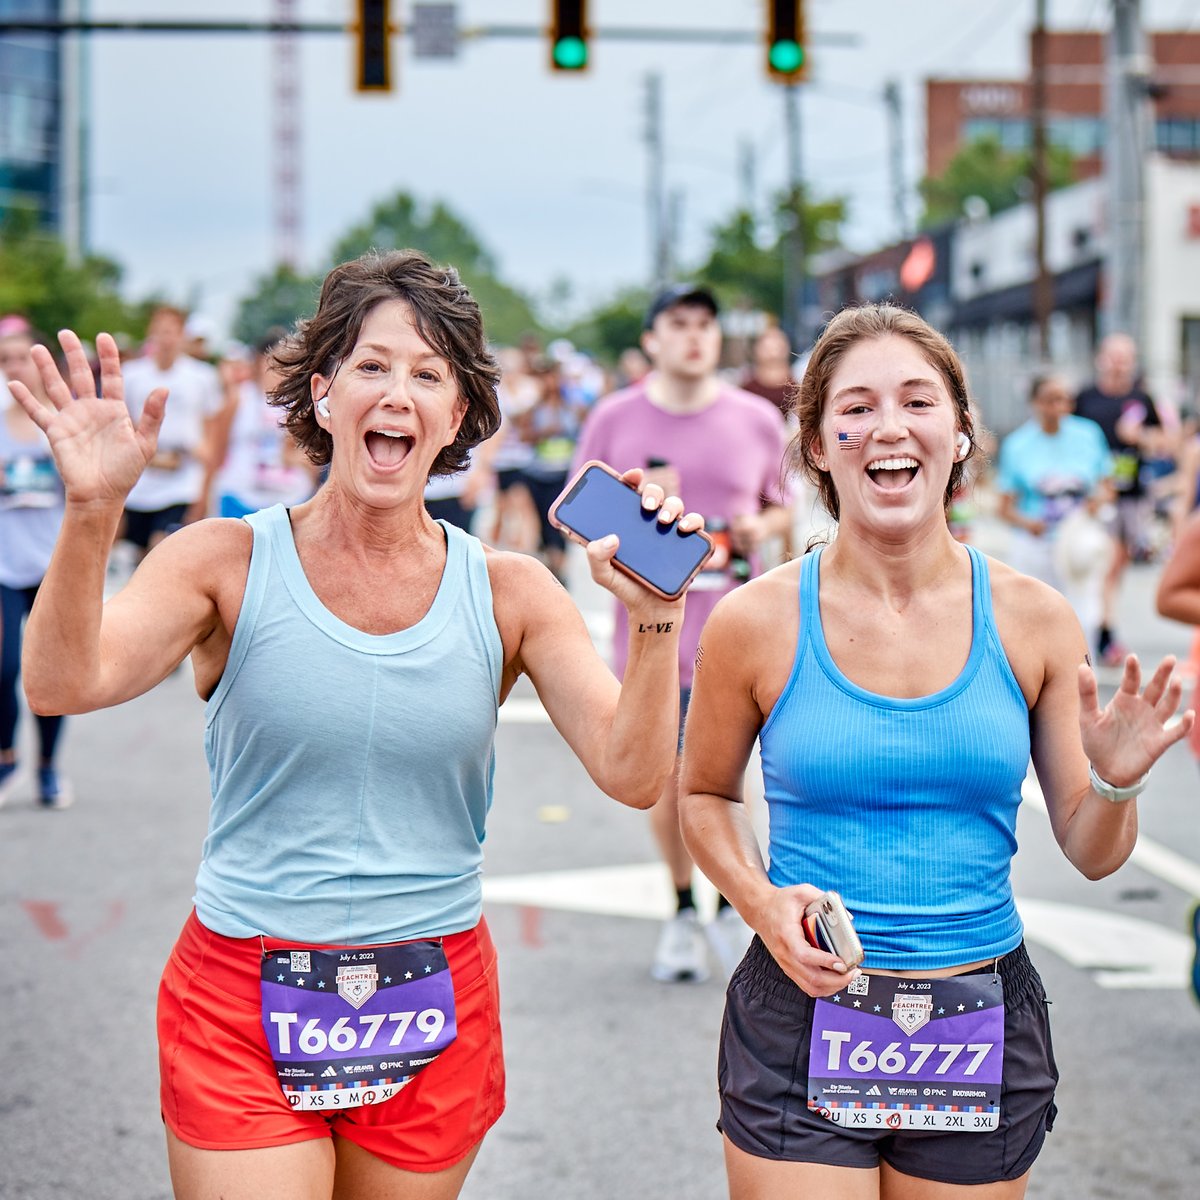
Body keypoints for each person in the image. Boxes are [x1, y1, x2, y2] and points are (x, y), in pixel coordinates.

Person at [11, 250, 703, 1200]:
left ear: (456, 418)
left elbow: (632, 775)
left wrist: (655, 616)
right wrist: (91, 510)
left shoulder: (511, 591)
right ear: (325, 394)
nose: (398, 393)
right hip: (243, 998)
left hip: (431, 998)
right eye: (373, 367)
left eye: (429, 375)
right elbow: (59, 682)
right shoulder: (223, 561)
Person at [678, 304, 1192, 1198]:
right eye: (857, 406)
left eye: (918, 402)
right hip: (803, 1017)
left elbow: (1095, 853)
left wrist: (1113, 780)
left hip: (977, 1019)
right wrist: (761, 904)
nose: (889, 428)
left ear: (960, 435)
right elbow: (705, 795)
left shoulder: (1034, 618)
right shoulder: (753, 620)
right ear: (816, 444)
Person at [573, 283, 793, 984]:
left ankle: (731, 904)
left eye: (706, 324)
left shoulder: (757, 419)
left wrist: (761, 527)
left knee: (733, 780)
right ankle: (679, 907)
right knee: (666, 782)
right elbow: (583, 509)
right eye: (679, 323)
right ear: (653, 339)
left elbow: (784, 506)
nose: (694, 336)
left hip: (738, 632)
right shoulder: (615, 416)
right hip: (652, 636)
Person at [0, 317, 70, 809]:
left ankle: (47, 768)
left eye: (22, 357)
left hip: (52, 567)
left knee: (50, 678)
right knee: (3, 671)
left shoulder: (62, 424)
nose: (13, 366)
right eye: (4, 359)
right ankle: (7, 760)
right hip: (2, 567)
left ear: (42, 363)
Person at [996, 374, 1113, 656]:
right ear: (1035, 403)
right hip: (1037, 545)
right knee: (1035, 615)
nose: (1058, 407)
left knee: (1084, 613)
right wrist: (1028, 523)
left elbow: (1108, 487)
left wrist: (1096, 503)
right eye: (1051, 400)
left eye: (1064, 400)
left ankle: (1084, 678)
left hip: (1078, 543)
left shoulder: (1088, 435)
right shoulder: (1018, 445)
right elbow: (1004, 507)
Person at [1074, 333, 1163, 663]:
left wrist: (1141, 436)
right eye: (1114, 356)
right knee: (1106, 563)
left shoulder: (1142, 398)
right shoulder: (1085, 397)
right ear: (1101, 358)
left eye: (1126, 357)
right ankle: (1102, 634)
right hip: (1096, 494)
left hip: (1131, 493)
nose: (1119, 363)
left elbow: (1163, 441)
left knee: (1117, 565)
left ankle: (1103, 629)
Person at [120, 304, 226, 560]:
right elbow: (123, 424)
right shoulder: (133, 375)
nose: (166, 339)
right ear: (151, 333)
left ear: (181, 335)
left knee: (163, 550)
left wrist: (204, 491)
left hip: (182, 481)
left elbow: (211, 434)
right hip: (141, 482)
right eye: (160, 331)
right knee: (135, 556)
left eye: (171, 332)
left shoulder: (202, 377)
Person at [211, 331, 318, 519]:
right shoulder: (240, 398)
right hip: (238, 497)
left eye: (291, 360)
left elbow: (313, 457)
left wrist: (295, 458)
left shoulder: (304, 405)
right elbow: (216, 450)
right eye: (276, 359)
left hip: (287, 502)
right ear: (261, 360)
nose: (282, 367)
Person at [740, 324, 794, 418]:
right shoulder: (748, 389)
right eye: (767, 347)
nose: (773, 353)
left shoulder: (797, 389)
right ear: (757, 350)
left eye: (777, 347)